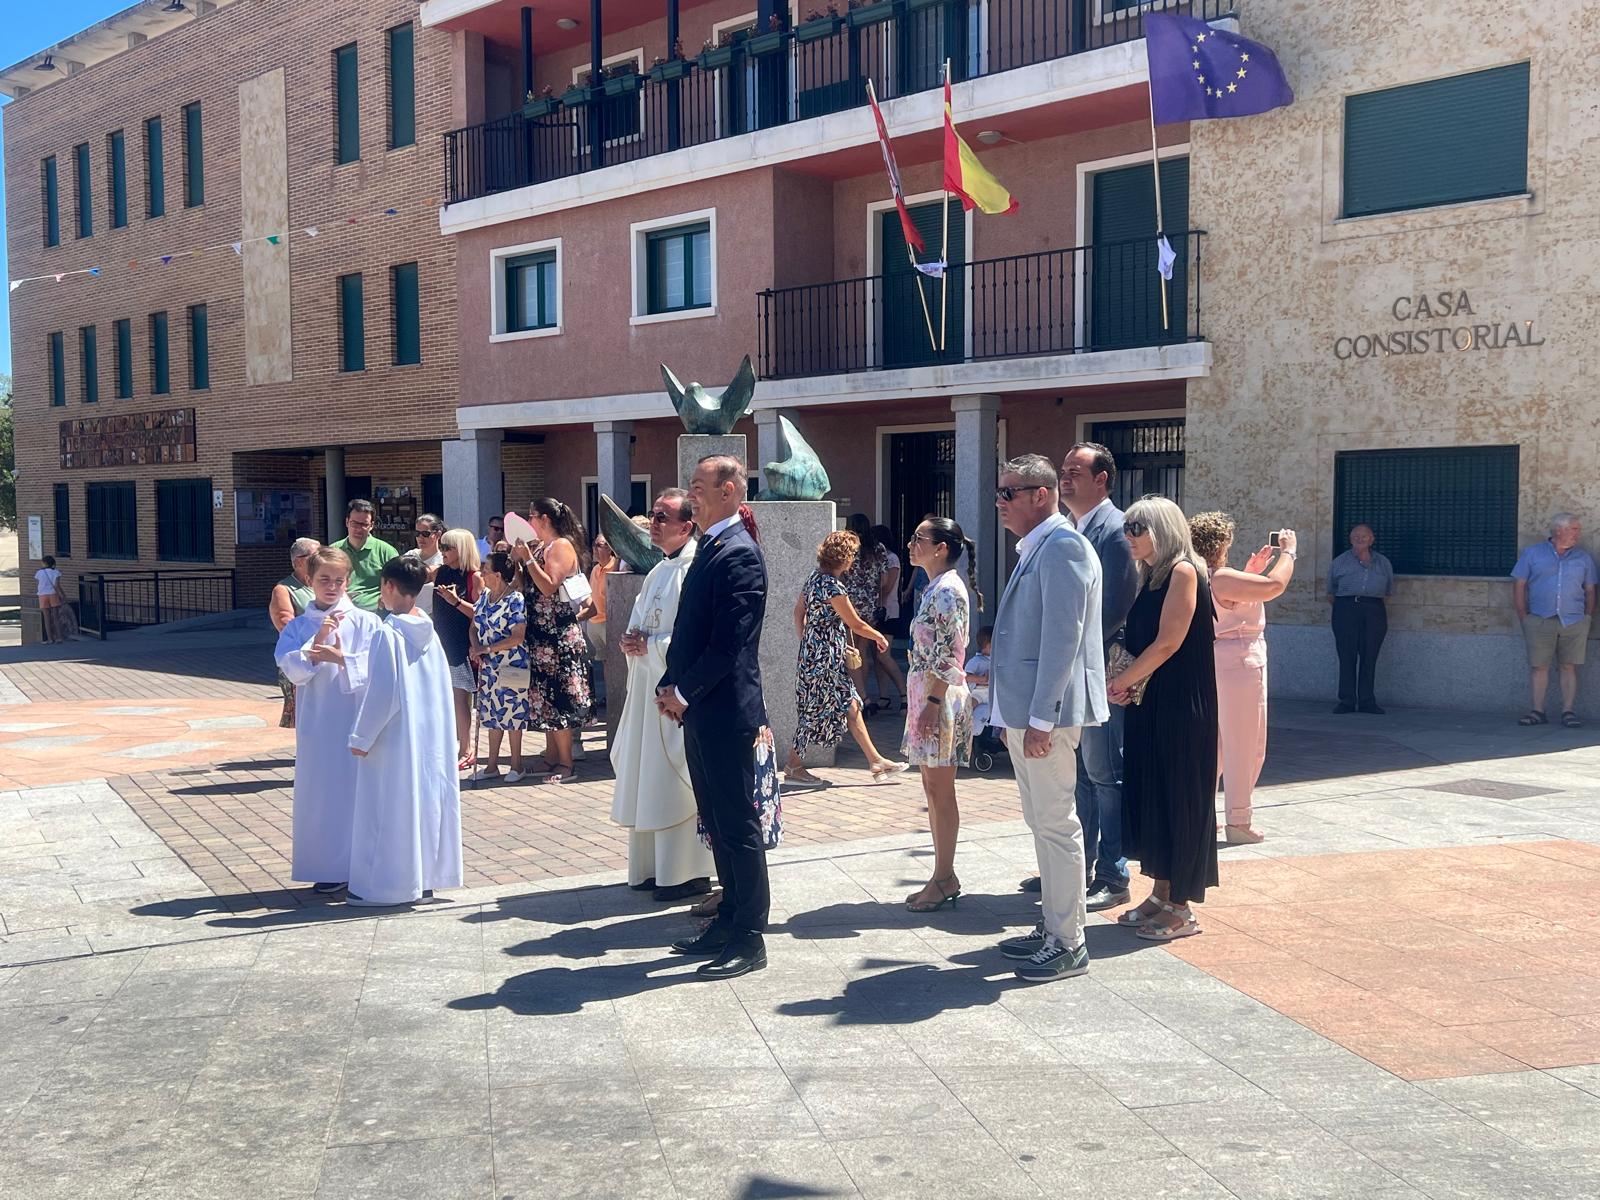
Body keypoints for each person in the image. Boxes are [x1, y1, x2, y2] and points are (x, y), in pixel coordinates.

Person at [989, 454, 1106, 982]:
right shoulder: (1040, 547)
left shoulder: (1063, 549)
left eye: (1009, 492)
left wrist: (1041, 718)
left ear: (1041, 494)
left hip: (1046, 717)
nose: (1000, 502)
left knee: (1057, 825)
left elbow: (1064, 640)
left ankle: (1069, 941)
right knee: (1043, 822)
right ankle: (1055, 924)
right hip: (1027, 712)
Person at [656, 455, 771, 980]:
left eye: (699, 487)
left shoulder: (739, 553)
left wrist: (684, 688)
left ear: (728, 491)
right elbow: (691, 629)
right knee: (718, 822)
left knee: (737, 823)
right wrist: (670, 681)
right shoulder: (711, 545)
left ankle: (750, 936)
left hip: (724, 709)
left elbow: (731, 644)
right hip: (702, 707)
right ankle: (727, 920)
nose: (691, 494)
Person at [1108, 496, 1219, 941]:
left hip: (1180, 706)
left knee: (1180, 799)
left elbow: (1169, 642)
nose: (1129, 535)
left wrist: (1122, 681)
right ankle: (1161, 892)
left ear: (1164, 529)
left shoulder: (1184, 572)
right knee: (1154, 794)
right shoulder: (1151, 575)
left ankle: (1182, 908)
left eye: (1138, 527)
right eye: (1128, 527)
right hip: (1151, 703)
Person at [1045, 441, 1142, 911]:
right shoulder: (1069, 527)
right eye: (1063, 470)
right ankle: (1076, 868)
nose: (1065, 477)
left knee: (1105, 774)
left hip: (1100, 668)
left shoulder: (1116, 529)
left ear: (1102, 479)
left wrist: (1078, 652)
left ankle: (1114, 873)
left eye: (1075, 471)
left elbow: (1118, 605)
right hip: (1075, 671)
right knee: (1080, 774)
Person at [611, 489, 715, 902]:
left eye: (662, 517)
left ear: (686, 526)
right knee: (648, 778)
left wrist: (650, 647)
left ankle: (687, 872)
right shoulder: (657, 571)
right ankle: (652, 867)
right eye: (652, 515)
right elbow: (642, 626)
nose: (652, 523)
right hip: (647, 694)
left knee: (676, 783)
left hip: (673, 696)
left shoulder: (694, 569)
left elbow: (695, 638)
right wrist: (631, 643)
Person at [346, 557, 464, 907]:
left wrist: (361, 738)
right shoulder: (429, 630)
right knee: (426, 805)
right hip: (430, 736)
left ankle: (388, 886)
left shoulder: (388, 633)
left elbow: (383, 692)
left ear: (389, 587)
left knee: (389, 807)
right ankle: (425, 879)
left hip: (395, 737)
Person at [274, 546, 386, 893]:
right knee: (324, 795)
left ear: (348, 581)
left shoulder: (367, 622)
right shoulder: (299, 627)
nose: (332, 586)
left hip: (356, 719)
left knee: (359, 792)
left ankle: (364, 864)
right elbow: (291, 669)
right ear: (309, 580)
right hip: (319, 724)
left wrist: (342, 659)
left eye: (339, 580)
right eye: (324, 579)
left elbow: (381, 670)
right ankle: (329, 867)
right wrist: (318, 639)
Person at [1190, 514, 1298, 845]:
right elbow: (1274, 586)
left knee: (1218, 745)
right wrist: (1288, 553)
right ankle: (1239, 819)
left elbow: (1234, 602)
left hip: (1216, 659)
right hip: (1240, 662)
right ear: (1222, 544)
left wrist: (1250, 572)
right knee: (1246, 744)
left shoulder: (1199, 574)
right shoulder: (1222, 576)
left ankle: (1203, 816)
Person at [784, 531, 910, 785]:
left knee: (852, 705)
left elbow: (798, 612)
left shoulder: (814, 577)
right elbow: (854, 623)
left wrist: (808, 641)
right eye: (851, 554)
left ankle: (875, 760)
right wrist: (878, 637)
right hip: (826, 660)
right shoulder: (832, 586)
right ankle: (793, 766)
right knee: (814, 713)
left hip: (816, 655)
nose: (853, 559)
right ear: (842, 558)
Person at [902, 518, 981, 913]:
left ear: (942, 548)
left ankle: (944, 875)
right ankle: (940, 875)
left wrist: (931, 705)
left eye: (920, 538)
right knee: (932, 789)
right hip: (927, 695)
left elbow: (952, 655)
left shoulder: (948, 591)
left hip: (940, 699)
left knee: (941, 789)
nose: (912, 544)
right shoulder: (933, 588)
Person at [514, 498, 593, 783]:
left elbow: (549, 586)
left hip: (558, 634)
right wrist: (518, 562)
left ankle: (566, 763)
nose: (529, 521)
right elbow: (527, 586)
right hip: (540, 633)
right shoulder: (538, 547)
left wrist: (529, 560)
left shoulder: (561, 546)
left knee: (560, 698)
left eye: (532, 516)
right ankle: (550, 757)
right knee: (545, 698)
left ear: (545, 519)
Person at [1512, 513, 1596, 729]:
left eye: (1578, 529)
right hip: (1539, 619)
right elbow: (1520, 584)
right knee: (1539, 666)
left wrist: (1587, 616)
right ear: (1559, 530)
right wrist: (1524, 617)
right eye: (1574, 529)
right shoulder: (1533, 554)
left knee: (1569, 666)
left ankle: (1568, 711)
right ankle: (1537, 711)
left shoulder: (1583, 558)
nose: (1578, 534)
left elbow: (1590, 589)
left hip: (1573, 621)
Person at [470, 551, 531, 781]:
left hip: (513, 662)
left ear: (497, 574)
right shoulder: (485, 597)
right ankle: (492, 765)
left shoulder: (515, 599)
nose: (482, 573)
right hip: (489, 666)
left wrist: (486, 649)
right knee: (492, 713)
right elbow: (473, 626)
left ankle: (516, 766)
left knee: (513, 715)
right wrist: (476, 647)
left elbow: (518, 636)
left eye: (486, 570)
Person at [1326, 523, 1393, 714]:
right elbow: (1330, 592)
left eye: (1364, 536)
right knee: (1346, 655)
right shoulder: (1339, 562)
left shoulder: (1383, 562)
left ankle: (1367, 701)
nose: (1360, 539)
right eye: (1356, 536)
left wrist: (1369, 606)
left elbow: (1388, 591)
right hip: (1345, 609)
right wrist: (1347, 607)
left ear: (1372, 540)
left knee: (1369, 655)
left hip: (1374, 609)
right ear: (1350, 539)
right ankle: (1346, 701)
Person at [433, 529, 482, 771]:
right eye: (442, 547)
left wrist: (455, 601)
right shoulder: (441, 571)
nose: (442, 552)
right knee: (452, 697)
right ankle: (458, 745)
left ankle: (466, 749)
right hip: (442, 639)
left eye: (448, 548)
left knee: (462, 697)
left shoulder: (474, 576)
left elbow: (480, 613)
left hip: (462, 644)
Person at [841, 514, 901, 712]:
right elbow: (884, 581)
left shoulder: (848, 547)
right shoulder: (878, 549)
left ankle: (859, 697)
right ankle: (863, 694)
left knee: (851, 652)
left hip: (849, 603)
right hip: (870, 605)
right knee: (863, 651)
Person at [268, 538, 320, 728]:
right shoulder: (283, 589)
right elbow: (285, 624)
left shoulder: (320, 583)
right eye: (316, 556)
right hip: (301, 659)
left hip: (323, 658)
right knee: (302, 714)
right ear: (299, 561)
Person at [330, 499, 398, 614]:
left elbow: (398, 582)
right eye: (354, 523)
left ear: (371, 525)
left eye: (364, 524)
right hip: (341, 613)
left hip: (376, 615)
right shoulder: (333, 551)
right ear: (347, 522)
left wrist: (387, 596)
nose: (358, 528)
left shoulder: (387, 551)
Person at [871, 523, 910, 701]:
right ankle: (884, 696)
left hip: (889, 611)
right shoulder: (878, 558)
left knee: (883, 655)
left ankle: (903, 693)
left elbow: (888, 587)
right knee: (877, 657)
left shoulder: (892, 558)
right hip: (878, 611)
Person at [576, 534, 615, 711]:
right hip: (594, 622)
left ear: (609, 548)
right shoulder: (594, 569)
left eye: (599, 545)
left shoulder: (616, 567)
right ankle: (608, 697)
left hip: (609, 622)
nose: (594, 549)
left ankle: (615, 698)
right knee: (604, 662)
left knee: (614, 662)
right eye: (594, 545)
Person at [402, 513, 445, 617]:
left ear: (438, 534)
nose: (420, 537)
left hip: (432, 617)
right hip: (409, 614)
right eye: (417, 533)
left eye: (425, 533)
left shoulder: (443, 560)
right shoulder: (409, 556)